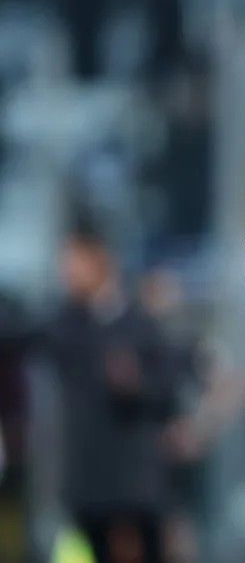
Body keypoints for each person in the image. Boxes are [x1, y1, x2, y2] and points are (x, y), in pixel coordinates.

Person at [43, 224, 178, 563]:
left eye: (74, 262)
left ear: (99, 261)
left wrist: (136, 386)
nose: (68, 273)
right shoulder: (66, 324)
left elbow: (168, 391)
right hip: (86, 493)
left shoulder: (139, 325)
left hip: (129, 494)